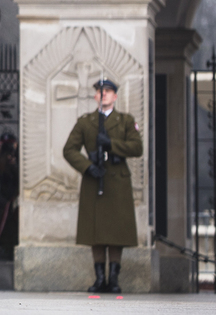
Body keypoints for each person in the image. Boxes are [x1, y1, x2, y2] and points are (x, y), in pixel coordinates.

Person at [63, 78, 143, 294]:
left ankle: (113, 278)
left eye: (108, 91)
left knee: (116, 231)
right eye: (100, 91)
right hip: (95, 179)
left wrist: (111, 145)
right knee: (96, 232)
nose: (104, 94)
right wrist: (87, 167)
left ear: (115, 96)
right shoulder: (86, 121)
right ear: (96, 96)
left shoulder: (125, 120)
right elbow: (69, 150)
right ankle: (100, 278)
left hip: (117, 180)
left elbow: (137, 147)